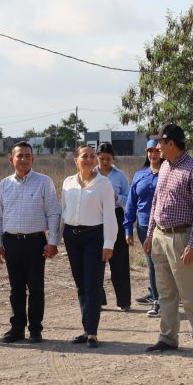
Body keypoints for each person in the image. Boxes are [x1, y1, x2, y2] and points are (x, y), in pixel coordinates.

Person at [142, 123, 193, 358]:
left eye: (160, 142)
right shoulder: (164, 167)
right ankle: (168, 337)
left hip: (182, 238)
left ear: (170, 143)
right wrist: (151, 233)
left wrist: (192, 244)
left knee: (191, 294)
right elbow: (156, 203)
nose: (157, 147)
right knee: (165, 294)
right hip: (161, 237)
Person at [0, 142, 61, 344]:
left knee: (36, 288)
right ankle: (17, 328)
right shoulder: (5, 184)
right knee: (16, 289)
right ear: (11, 159)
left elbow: (54, 212)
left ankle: (35, 329)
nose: (23, 159)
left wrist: (53, 242)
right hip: (11, 242)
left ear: (33, 159)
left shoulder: (44, 182)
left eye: (27, 155)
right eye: (19, 155)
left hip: (35, 243)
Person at [61, 144, 118, 348]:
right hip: (72, 237)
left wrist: (108, 243)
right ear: (76, 160)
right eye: (85, 156)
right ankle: (85, 329)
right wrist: (56, 240)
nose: (89, 159)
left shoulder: (104, 184)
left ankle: (93, 332)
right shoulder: (68, 183)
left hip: (94, 237)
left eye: (92, 156)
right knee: (80, 285)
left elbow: (110, 216)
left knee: (92, 285)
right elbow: (63, 211)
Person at [124, 139, 164, 317]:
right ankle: (157, 301)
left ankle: (170, 297)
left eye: (156, 150)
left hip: (165, 226)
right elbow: (131, 204)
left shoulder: (169, 172)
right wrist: (128, 228)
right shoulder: (140, 175)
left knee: (168, 265)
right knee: (152, 264)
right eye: (150, 151)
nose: (153, 154)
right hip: (143, 226)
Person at [95, 142, 132, 311]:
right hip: (95, 218)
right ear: (97, 158)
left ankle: (123, 301)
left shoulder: (120, 175)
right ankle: (98, 299)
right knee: (95, 260)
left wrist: (116, 198)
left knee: (119, 260)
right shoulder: (90, 173)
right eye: (101, 158)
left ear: (113, 158)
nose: (104, 162)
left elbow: (130, 198)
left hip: (116, 216)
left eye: (108, 159)